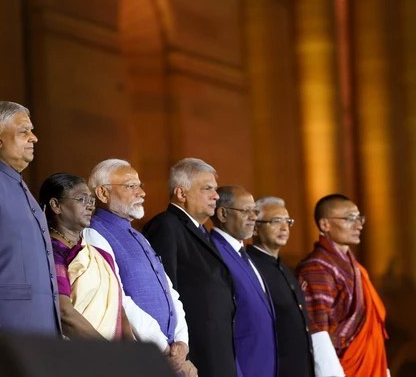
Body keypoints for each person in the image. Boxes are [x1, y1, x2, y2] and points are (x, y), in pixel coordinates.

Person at [84, 159, 197, 377]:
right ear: (102, 193)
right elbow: (118, 299)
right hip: (143, 358)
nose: (141, 193)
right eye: (130, 186)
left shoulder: (139, 236)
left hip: (170, 356)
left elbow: (170, 291)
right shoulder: (94, 234)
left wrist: (182, 343)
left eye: (140, 185)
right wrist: (163, 348)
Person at [0, 101, 60, 335]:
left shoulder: (17, 181)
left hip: (41, 320)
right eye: (24, 131)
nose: (34, 138)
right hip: (8, 319)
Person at [144, 158, 238, 377]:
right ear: (181, 193)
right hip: (195, 355)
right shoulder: (166, 226)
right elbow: (164, 294)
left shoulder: (199, 230)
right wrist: (183, 355)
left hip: (216, 349)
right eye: (207, 189)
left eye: (215, 189)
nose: (216, 195)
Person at [296, 194, 389, 377]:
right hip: (339, 368)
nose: (359, 225)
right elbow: (316, 331)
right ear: (325, 225)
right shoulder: (317, 268)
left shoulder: (358, 269)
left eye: (359, 218)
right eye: (349, 219)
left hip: (369, 366)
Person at [38, 173, 134, 341]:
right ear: (56, 205)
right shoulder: (51, 253)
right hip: (80, 355)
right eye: (82, 199)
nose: (90, 206)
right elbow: (63, 312)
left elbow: (118, 308)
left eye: (91, 200)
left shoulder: (100, 254)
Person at [210, 185, 277, 377]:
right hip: (241, 367)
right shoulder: (214, 253)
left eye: (254, 211)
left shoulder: (243, 253)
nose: (254, 217)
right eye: (246, 211)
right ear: (223, 214)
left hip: (264, 365)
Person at [247, 196, 314, 377]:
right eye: (276, 221)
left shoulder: (284, 267)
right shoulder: (250, 267)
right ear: (255, 228)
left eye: (287, 221)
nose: (284, 228)